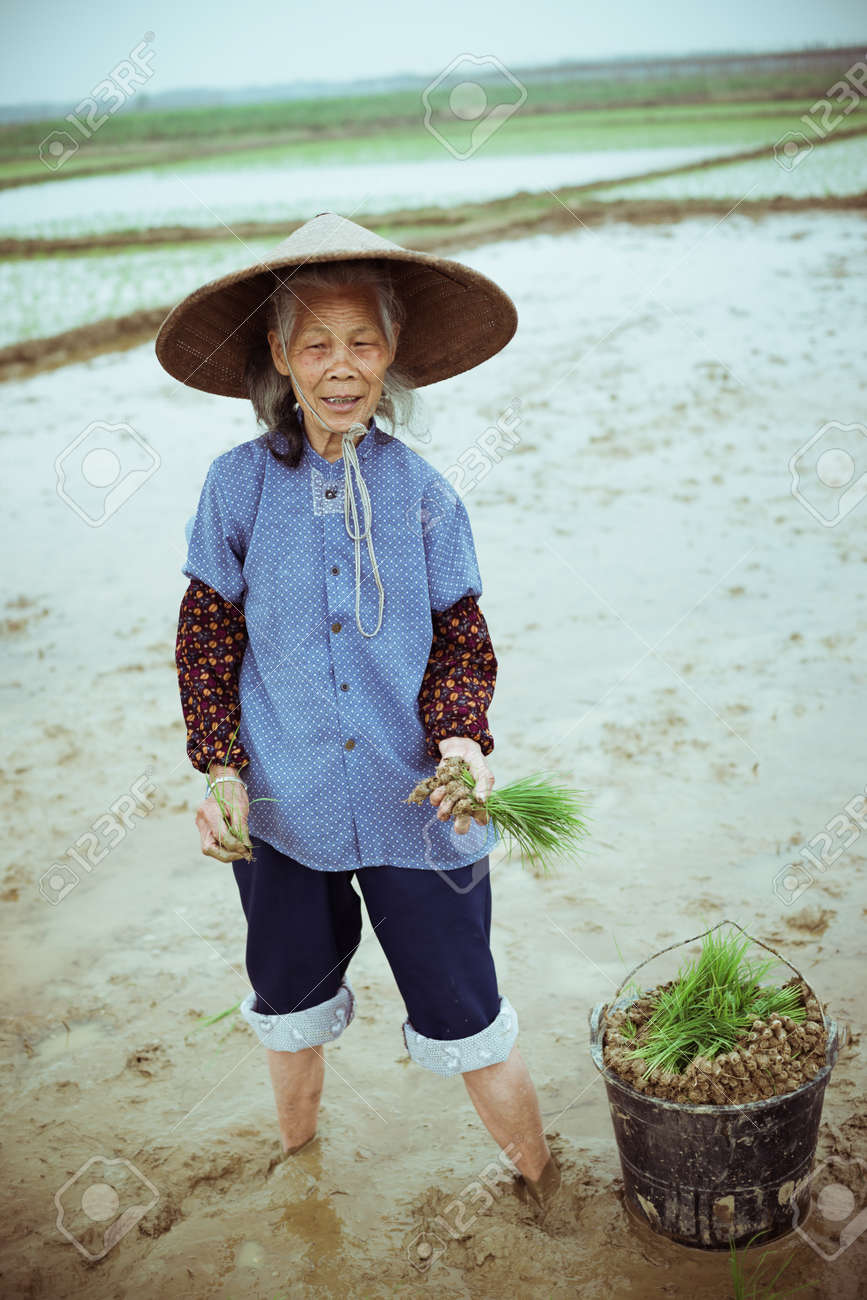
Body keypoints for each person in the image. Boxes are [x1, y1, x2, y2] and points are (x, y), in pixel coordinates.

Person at [156, 212, 561, 1214]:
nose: (342, 366)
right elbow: (206, 643)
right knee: (286, 1008)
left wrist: (464, 738)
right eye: (317, 342)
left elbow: (464, 641)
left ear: (393, 356)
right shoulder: (235, 488)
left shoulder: (425, 495)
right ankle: (302, 1178)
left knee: (471, 1011)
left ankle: (544, 1186)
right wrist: (220, 771)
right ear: (281, 357)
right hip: (283, 811)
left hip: (416, 804)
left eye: (364, 341)